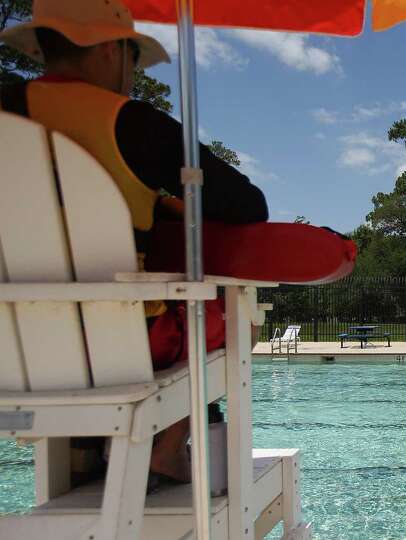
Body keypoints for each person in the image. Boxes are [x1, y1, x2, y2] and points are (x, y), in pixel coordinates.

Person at [0, 0, 268, 483]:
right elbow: (248, 205)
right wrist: (168, 206)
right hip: (124, 345)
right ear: (108, 49)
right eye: (133, 57)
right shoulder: (131, 123)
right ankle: (166, 446)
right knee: (235, 313)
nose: (132, 72)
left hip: (10, 349)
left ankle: (82, 457)